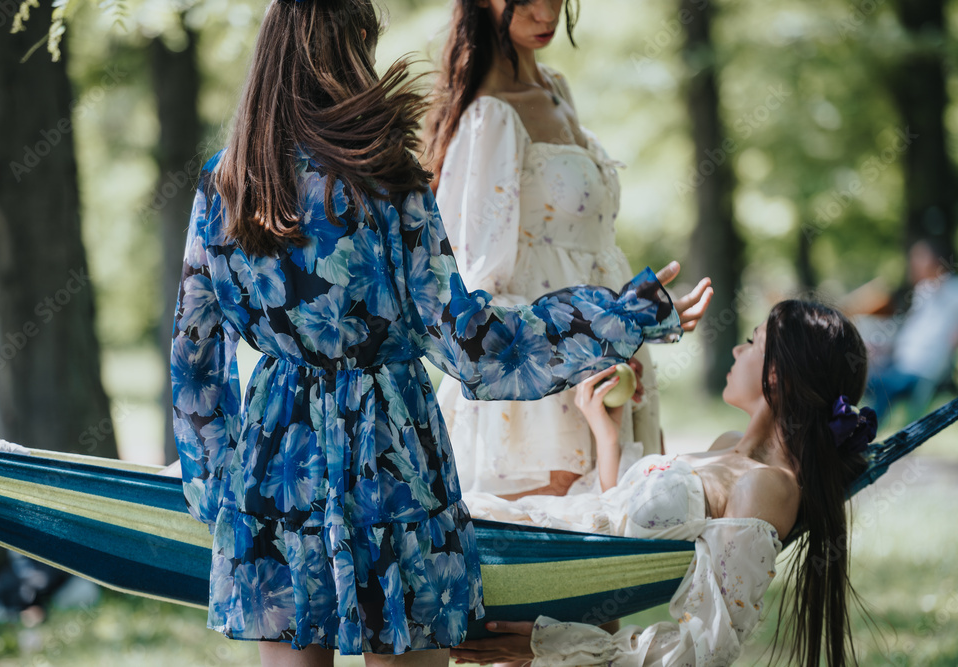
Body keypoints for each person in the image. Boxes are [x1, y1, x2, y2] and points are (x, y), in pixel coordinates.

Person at [169, 2, 706, 665]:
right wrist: (622, 317)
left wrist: (215, 486)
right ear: (354, 50)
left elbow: (196, 355)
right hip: (392, 452)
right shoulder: (387, 176)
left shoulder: (228, 181)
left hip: (277, 461)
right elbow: (474, 349)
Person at [450, 301, 876, 667]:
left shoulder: (766, 488)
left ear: (777, 375)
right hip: (517, 534)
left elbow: (707, 649)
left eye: (753, 341)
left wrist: (561, 647)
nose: (737, 348)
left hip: (519, 558)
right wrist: (608, 439)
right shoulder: (727, 448)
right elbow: (621, 540)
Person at [424, 0, 713, 499]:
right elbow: (473, 288)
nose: (545, 13)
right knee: (567, 551)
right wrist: (592, 338)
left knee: (627, 537)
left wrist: (631, 319)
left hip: (611, 352)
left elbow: (588, 248)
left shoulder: (557, 87)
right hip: (544, 385)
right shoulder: (490, 113)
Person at [863, 238, 958, 421]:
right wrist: (883, 347)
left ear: (935, 260)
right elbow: (911, 334)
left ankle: (863, 435)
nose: (913, 264)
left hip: (922, 370)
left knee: (883, 385)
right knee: (852, 374)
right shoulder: (923, 290)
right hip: (899, 364)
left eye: (918, 258)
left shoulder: (954, 291)